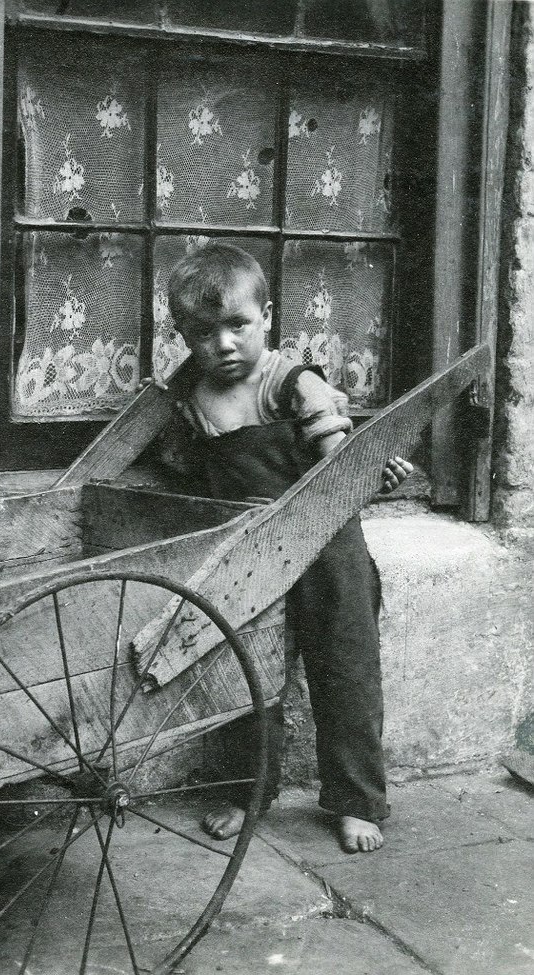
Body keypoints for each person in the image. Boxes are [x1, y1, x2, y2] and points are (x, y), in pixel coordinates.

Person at [153, 243, 412, 854]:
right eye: (203, 332)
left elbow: (338, 459)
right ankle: (251, 790)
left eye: (238, 325)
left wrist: (367, 472)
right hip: (250, 554)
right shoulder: (189, 397)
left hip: (327, 548)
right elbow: (178, 467)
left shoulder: (292, 383)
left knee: (346, 669)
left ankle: (356, 800)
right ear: (184, 336)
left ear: (266, 318)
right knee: (246, 674)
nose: (224, 344)